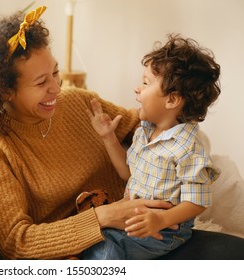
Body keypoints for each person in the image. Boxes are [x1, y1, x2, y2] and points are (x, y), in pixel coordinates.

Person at [0, 6, 174, 260]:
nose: (56, 89)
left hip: (147, 231)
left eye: (56, 73)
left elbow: (140, 123)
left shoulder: (78, 102)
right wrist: (104, 217)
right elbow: (17, 242)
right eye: (41, 83)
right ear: (5, 91)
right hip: (89, 255)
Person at [83, 34, 221, 260]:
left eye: (146, 83)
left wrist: (161, 220)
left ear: (172, 100)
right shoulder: (144, 131)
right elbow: (127, 173)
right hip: (135, 217)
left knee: (105, 248)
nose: (137, 89)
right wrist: (108, 137)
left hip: (165, 231)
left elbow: (198, 201)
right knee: (89, 236)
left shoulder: (188, 147)